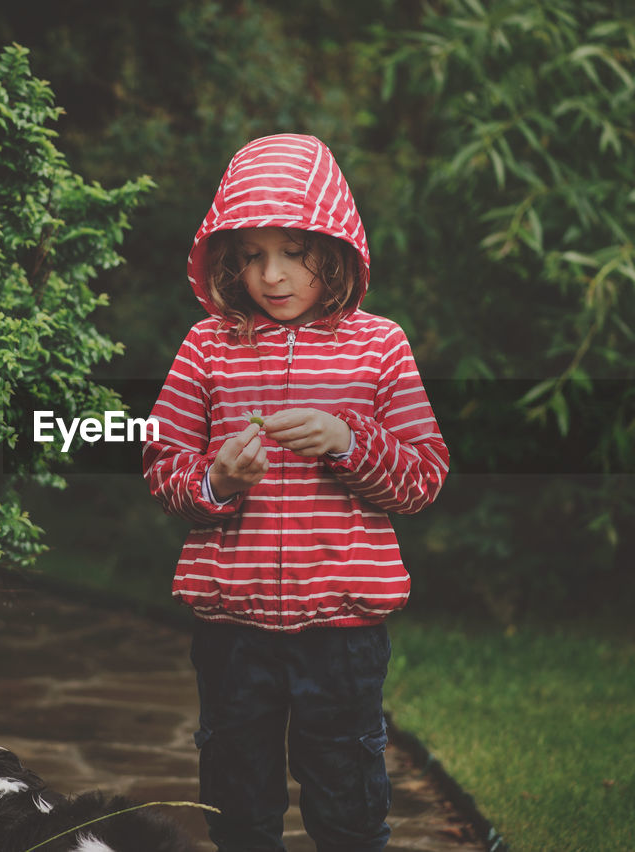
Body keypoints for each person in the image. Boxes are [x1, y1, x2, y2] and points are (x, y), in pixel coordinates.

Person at [142, 133, 450, 852]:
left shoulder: (380, 347)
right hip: (232, 627)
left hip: (340, 633)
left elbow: (425, 474)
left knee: (346, 807)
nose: (270, 275)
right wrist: (218, 480)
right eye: (251, 254)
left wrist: (349, 442)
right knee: (238, 808)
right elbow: (162, 465)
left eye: (291, 252)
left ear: (335, 247)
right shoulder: (206, 346)